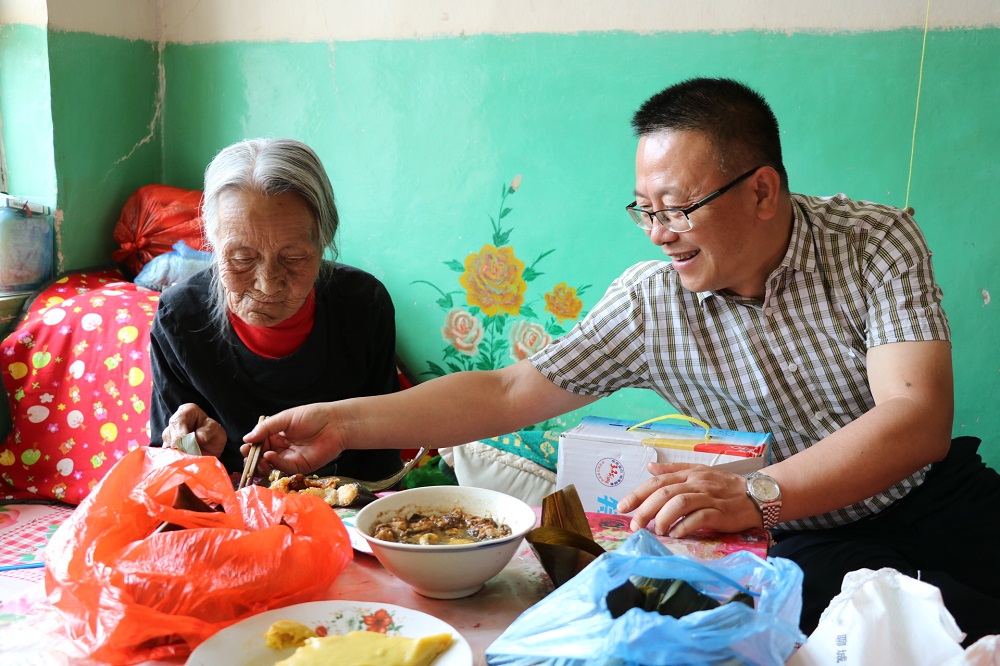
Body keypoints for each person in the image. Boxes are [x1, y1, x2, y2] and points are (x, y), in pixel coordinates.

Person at [242, 80, 1000, 643]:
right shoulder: (650, 302)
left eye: (677, 208)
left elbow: (916, 418)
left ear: (763, 190)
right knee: (876, 637)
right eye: (645, 210)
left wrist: (754, 492)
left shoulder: (873, 243)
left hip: (934, 496)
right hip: (808, 534)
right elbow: (506, 392)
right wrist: (340, 423)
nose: (659, 233)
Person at [149, 137, 403, 482]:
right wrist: (192, 452)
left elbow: (382, 457)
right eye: (242, 257)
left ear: (323, 242)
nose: (268, 284)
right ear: (213, 243)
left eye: (294, 257)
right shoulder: (179, 318)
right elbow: (169, 472)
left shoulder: (363, 304)